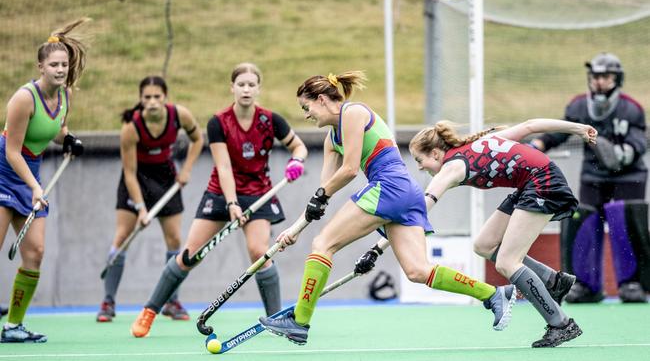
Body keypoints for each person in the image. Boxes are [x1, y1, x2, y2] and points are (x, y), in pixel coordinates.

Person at [259, 71, 517, 346]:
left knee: (323, 244)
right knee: (418, 271)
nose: (307, 114)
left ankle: (299, 321)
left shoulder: (354, 113)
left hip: (389, 186)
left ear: (321, 99)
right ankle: (492, 294)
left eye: (306, 107)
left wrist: (319, 201)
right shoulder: (331, 140)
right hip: (407, 194)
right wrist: (296, 228)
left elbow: (347, 171)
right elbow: (324, 191)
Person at [130, 62, 308, 337]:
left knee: (259, 252)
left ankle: (275, 320)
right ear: (232, 88)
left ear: (258, 88)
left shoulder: (271, 120)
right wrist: (232, 203)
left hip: (259, 193)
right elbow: (223, 167)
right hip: (220, 193)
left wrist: (296, 160)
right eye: (241, 84)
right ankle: (150, 311)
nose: (246, 89)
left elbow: (299, 146)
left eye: (251, 84)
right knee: (189, 255)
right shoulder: (218, 123)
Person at [408, 118, 597, 347]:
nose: (420, 166)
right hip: (532, 183)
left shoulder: (452, 167)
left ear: (436, 153)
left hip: (542, 184)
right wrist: (578, 129)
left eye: (420, 160)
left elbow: (425, 203)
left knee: (507, 262)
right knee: (484, 244)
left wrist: (393, 233)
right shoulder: (477, 145)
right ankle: (553, 281)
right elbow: (530, 125)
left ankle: (561, 324)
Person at [530, 53, 649, 303]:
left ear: (617, 79)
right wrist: (539, 143)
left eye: (605, 77)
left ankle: (633, 283)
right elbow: (562, 130)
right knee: (583, 219)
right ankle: (585, 285)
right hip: (593, 176)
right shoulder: (579, 106)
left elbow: (639, 142)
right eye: (595, 76)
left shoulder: (632, 108)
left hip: (629, 177)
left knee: (623, 221)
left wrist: (621, 155)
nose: (599, 82)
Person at [0, 17, 90, 343]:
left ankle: (13, 326)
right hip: (4, 173)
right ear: (40, 66)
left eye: (64, 64)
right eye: (53, 64)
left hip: (30, 174)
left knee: (35, 252)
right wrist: (36, 187)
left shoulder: (64, 96)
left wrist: (67, 140)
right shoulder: (23, 98)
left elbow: (54, 131)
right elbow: (13, 151)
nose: (60, 69)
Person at [96, 76, 204, 322]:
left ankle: (172, 301)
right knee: (122, 237)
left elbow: (198, 139)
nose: (153, 102)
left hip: (167, 179)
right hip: (136, 181)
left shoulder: (180, 115)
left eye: (157, 96)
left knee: (175, 240)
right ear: (140, 99)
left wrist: (186, 169)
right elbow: (129, 173)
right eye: (147, 97)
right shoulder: (131, 128)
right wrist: (141, 208)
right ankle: (108, 302)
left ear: (165, 97)